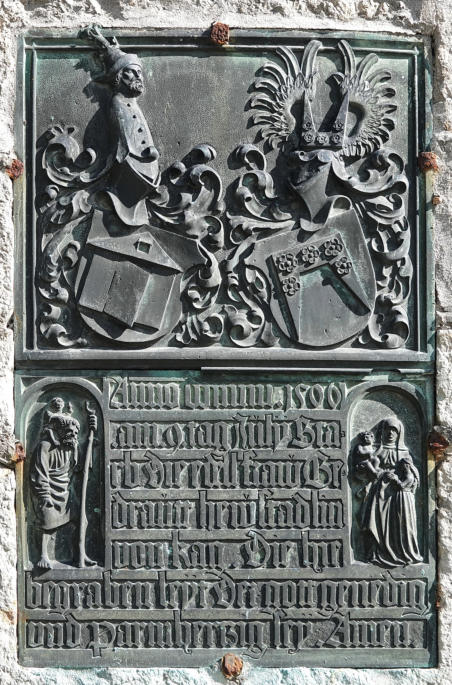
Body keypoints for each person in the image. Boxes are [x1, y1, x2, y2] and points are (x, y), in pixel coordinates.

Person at [30, 398, 97, 569]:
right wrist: (44, 495)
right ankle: (43, 555)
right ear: (58, 430)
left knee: (81, 519)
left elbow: (82, 467)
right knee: (47, 522)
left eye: (75, 432)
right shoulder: (44, 446)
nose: (73, 434)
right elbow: (39, 473)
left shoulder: (72, 447)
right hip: (49, 491)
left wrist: (91, 434)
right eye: (69, 431)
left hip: (66, 491)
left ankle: (80, 553)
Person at [360, 417, 423, 567]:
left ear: (399, 433)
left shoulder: (405, 452)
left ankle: (402, 553)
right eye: (388, 430)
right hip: (380, 493)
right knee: (378, 522)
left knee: (400, 523)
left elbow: (412, 473)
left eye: (394, 430)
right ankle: (378, 553)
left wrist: (402, 480)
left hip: (399, 495)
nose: (390, 433)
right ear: (382, 432)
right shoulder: (377, 450)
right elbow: (369, 469)